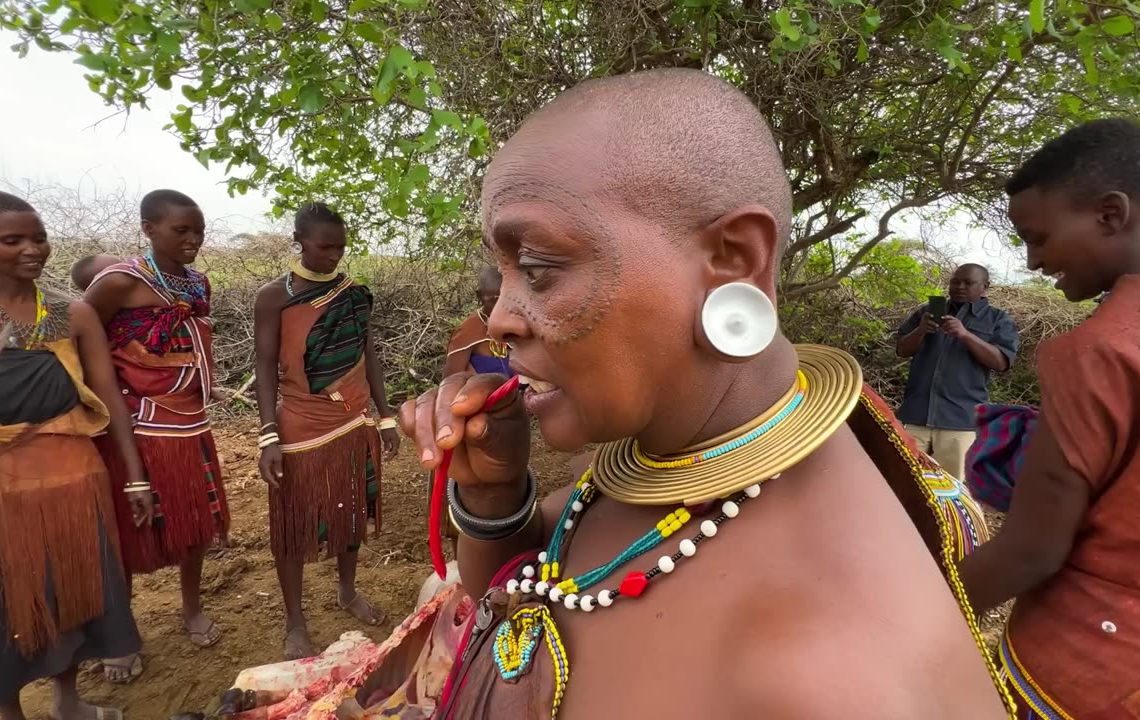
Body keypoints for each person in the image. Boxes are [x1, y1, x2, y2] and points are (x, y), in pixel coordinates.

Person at [400, 69, 1007, 719]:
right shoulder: (668, 452)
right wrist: (495, 494)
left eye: (541, 269)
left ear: (734, 260)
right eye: (505, 272)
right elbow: (525, 584)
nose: (500, 321)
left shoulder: (833, 674)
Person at [959, 119, 1140, 719]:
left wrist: (920, 614)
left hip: (1084, 677)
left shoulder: (1100, 351)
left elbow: (1032, 552)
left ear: (1111, 213)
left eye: (1039, 237)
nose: (1033, 261)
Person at [0, 190, 150, 720]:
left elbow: (109, 399)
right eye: (11, 239)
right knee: (0, 603)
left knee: (72, 591)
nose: (31, 249)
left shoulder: (73, 313)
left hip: (70, 473)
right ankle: (10, 713)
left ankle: (68, 702)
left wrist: (135, 478)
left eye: (37, 237)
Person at [82, 189, 228, 682]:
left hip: (191, 423)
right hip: (139, 425)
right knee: (128, 531)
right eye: (180, 230)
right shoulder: (120, 281)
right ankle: (120, 634)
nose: (193, 240)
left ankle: (190, 610)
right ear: (148, 229)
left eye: (198, 231)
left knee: (194, 525)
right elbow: (81, 341)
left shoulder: (196, 282)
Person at [253, 202, 401, 660]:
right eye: (324, 245)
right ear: (299, 239)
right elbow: (263, 364)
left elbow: (368, 355)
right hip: (300, 424)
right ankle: (295, 618)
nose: (334, 254)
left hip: (353, 420)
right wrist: (267, 434)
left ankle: (347, 590)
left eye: (340, 246)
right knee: (293, 524)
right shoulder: (274, 297)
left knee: (351, 511)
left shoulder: (354, 293)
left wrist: (386, 414)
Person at [894, 263, 1018, 480]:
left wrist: (965, 335)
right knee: (901, 482)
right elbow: (902, 350)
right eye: (955, 281)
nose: (960, 286)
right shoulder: (927, 312)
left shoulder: (997, 319)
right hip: (914, 417)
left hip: (959, 423)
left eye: (968, 282)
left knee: (953, 491)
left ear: (985, 286)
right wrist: (921, 329)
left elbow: (1001, 362)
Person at [443, 266, 513, 378]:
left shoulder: (519, 325)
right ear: (479, 296)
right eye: (494, 300)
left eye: (505, 299)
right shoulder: (467, 331)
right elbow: (450, 381)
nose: (500, 306)